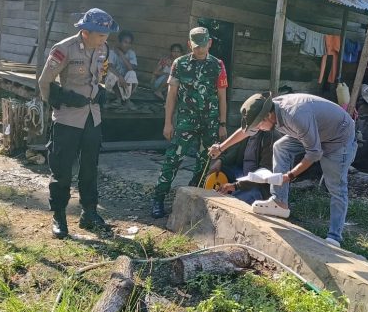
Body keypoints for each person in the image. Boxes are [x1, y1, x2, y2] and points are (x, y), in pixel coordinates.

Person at [209, 92, 357, 247]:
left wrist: (289, 175)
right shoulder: (270, 114)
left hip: (338, 137)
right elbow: (246, 131)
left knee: (336, 187)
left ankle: (334, 237)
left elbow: (314, 153)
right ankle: (280, 203)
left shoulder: (295, 115)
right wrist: (221, 148)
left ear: (267, 116)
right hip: (313, 132)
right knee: (281, 147)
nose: (258, 129)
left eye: (259, 125)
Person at [38, 8, 118, 239]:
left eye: (106, 34)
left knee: (90, 168)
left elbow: (100, 75)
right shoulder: (64, 49)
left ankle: (89, 213)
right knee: (62, 170)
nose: (105, 38)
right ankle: (59, 216)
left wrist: (101, 90)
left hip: (93, 116)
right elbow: (45, 81)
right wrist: (57, 101)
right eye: (101, 34)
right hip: (68, 118)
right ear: (85, 31)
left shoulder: (104, 49)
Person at [152, 27, 228, 219]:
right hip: (186, 121)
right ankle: (159, 198)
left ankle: (194, 199)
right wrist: (168, 123)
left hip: (210, 123)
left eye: (203, 45)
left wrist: (222, 123)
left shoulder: (218, 65)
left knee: (203, 162)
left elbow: (221, 96)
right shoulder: (180, 63)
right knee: (173, 159)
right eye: (196, 46)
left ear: (209, 43)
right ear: (189, 44)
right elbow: (171, 96)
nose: (199, 50)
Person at [210, 128, 280, 205]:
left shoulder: (271, 137)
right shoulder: (248, 131)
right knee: (217, 168)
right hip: (241, 172)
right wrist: (220, 160)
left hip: (258, 185)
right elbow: (235, 150)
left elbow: (262, 176)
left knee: (228, 202)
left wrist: (235, 186)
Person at [106, 30, 138, 109]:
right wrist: (120, 77)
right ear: (119, 42)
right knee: (112, 74)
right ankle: (118, 99)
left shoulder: (131, 53)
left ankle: (127, 100)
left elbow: (131, 68)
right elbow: (110, 67)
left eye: (129, 43)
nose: (127, 45)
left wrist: (121, 55)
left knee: (132, 73)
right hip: (113, 84)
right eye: (125, 42)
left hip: (126, 85)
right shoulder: (112, 52)